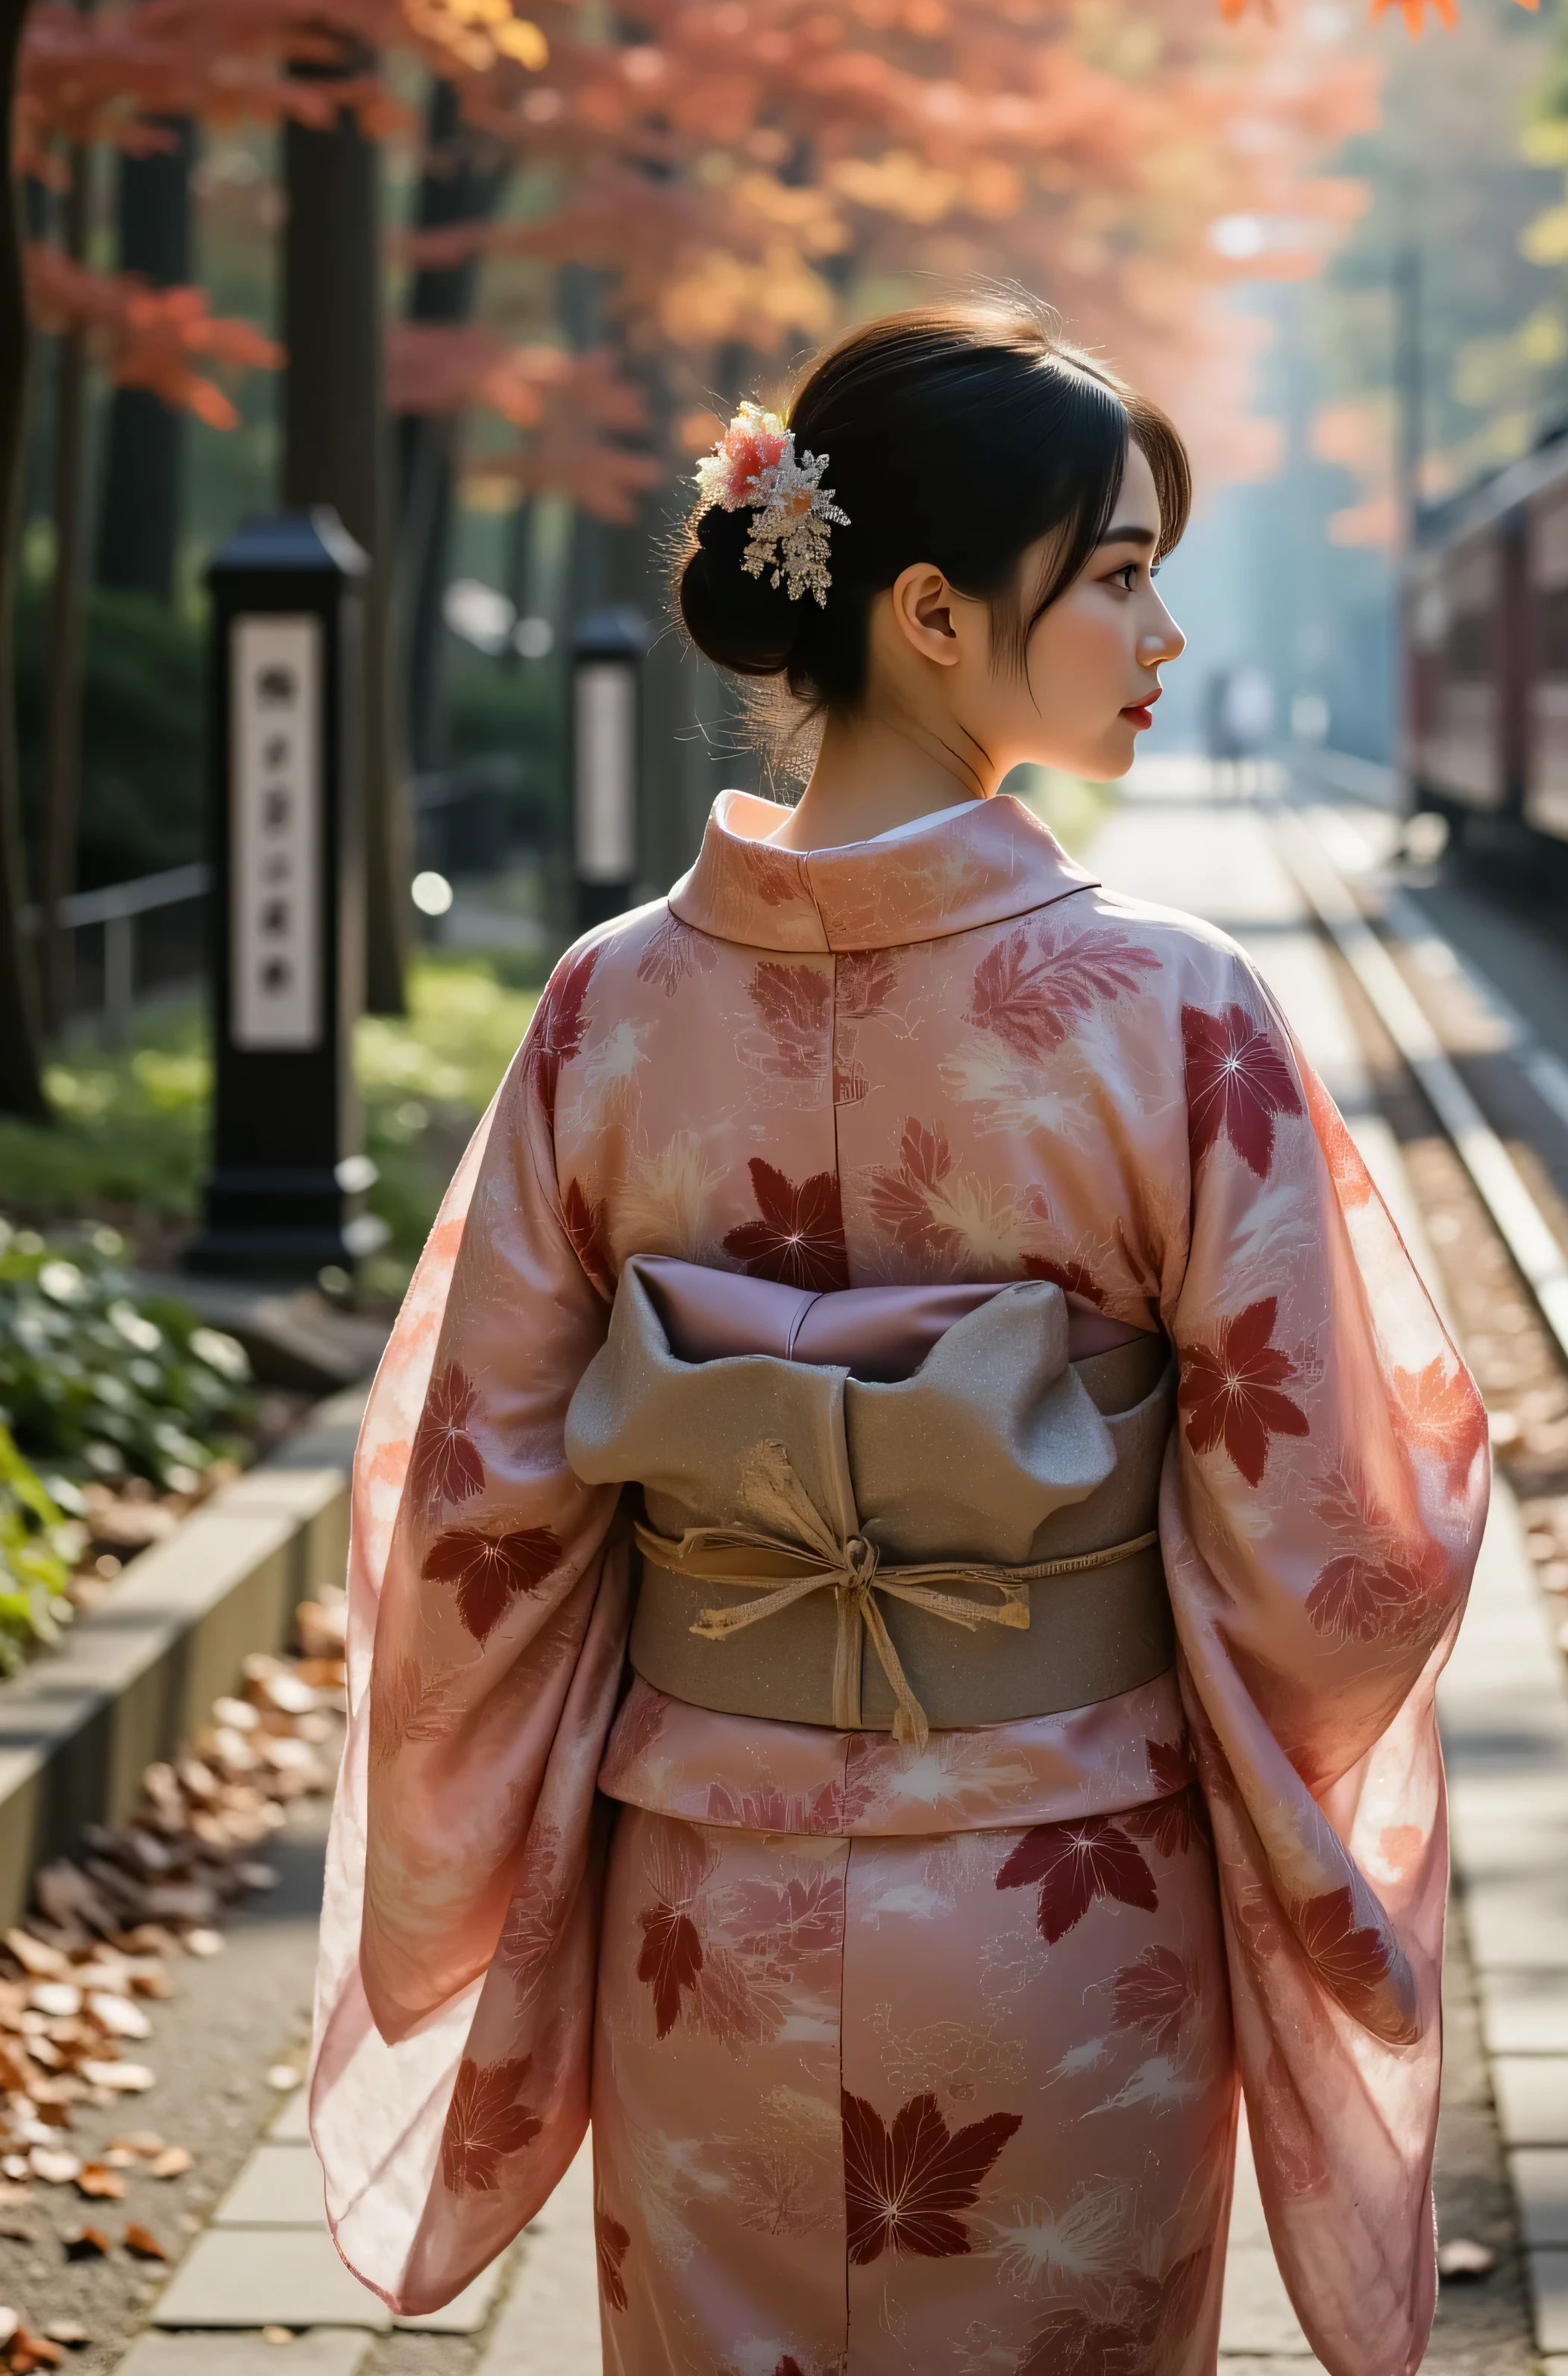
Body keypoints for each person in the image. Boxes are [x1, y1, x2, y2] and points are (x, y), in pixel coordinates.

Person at [310, 301, 1487, 2376]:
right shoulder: (1174, 1011)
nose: (1162, 633)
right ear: (932, 612)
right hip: (1068, 1911)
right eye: (1117, 576)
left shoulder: (606, 1009)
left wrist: (484, 1831)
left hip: (704, 1919)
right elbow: (1337, 1539)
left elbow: (471, 1510)